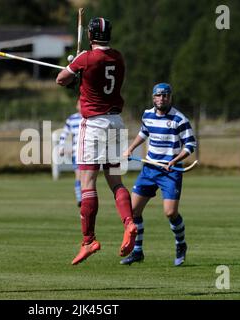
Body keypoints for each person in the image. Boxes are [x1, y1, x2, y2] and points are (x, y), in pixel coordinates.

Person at [56, 17, 137, 265]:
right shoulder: (118, 57)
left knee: (87, 182)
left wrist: (75, 67)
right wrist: (81, 72)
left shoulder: (86, 58)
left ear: (90, 35)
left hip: (93, 124)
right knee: (115, 181)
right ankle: (129, 222)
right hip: (116, 122)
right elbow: (98, 80)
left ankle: (89, 240)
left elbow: (60, 79)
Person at [121, 83, 197, 266]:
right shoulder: (147, 114)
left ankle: (180, 244)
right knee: (134, 210)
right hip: (149, 169)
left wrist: (174, 160)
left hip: (170, 172)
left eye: (165, 95)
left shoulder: (179, 119)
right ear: (153, 97)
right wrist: (131, 148)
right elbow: (144, 132)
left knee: (170, 213)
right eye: (158, 95)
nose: (162, 98)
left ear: (170, 97)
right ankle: (138, 251)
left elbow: (190, 145)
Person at [58, 100, 82, 207]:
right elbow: (64, 134)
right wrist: (61, 147)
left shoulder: (91, 118)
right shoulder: (72, 119)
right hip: (77, 154)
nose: (80, 105)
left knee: (87, 178)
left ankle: (84, 199)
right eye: (79, 103)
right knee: (79, 176)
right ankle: (80, 199)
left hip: (89, 153)